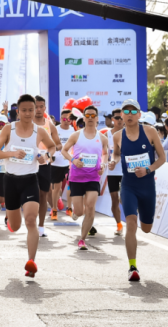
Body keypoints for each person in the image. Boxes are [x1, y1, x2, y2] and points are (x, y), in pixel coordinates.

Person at [0, 94, 56, 278]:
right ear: (18, 112)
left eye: (31, 110)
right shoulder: (9, 129)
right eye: (24, 110)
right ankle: (11, 222)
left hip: (30, 180)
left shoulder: (39, 131)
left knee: (30, 220)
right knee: (16, 226)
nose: (28, 113)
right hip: (11, 180)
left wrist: (46, 156)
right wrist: (12, 153)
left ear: (35, 110)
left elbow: (52, 147)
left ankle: (31, 262)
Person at [109, 99, 166, 282]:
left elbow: (162, 158)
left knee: (146, 228)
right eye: (126, 111)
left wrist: (148, 169)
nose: (130, 115)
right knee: (131, 223)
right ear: (121, 115)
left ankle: (144, 215)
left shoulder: (149, 132)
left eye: (134, 112)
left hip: (147, 186)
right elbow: (116, 153)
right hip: (128, 186)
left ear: (139, 115)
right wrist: (113, 161)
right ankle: (132, 267)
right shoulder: (117, 136)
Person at [62, 105, 108, 250]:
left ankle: (82, 239)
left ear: (97, 118)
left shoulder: (102, 138)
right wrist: (73, 160)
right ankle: (76, 212)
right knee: (79, 211)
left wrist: (103, 164)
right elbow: (64, 150)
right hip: (76, 177)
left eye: (93, 115)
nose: (90, 118)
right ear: (83, 117)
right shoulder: (76, 135)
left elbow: (105, 154)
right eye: (87, 115)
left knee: (90, 207)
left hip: (93, 177)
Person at [34, 95, 62, 238]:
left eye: (41, 107)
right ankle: (29, 222)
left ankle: (41, 226)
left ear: (45, 108)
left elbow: (58, 145)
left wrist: (47, 154)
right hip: (27, 165)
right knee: (30, 195)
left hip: (44, 165)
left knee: (43, 195)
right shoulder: (25, 124)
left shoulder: (49, 125)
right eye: (36, 107)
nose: (38, 109)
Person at [49, 110, 73, 221]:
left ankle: (69, 208)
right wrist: (50, 156)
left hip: (69, 162)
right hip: (56, 163)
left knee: (70, 185)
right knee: (56, 188)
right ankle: (54, 209)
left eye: (68, 119)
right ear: (60, 118)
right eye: (64, 118)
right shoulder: (55, 130)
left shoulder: (73, 131)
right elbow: (49, 145)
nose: (66, 121)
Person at [104, 109, 125, 235]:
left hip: (126, 171)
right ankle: (119, 225)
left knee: (125, 198)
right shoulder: (107, 134)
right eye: (117, 118)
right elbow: (104, 152)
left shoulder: (129, 132)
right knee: (114, 199)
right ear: (112, 119)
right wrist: (106, 162)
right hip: (112, 171)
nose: (119, 120)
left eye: (121, 118)